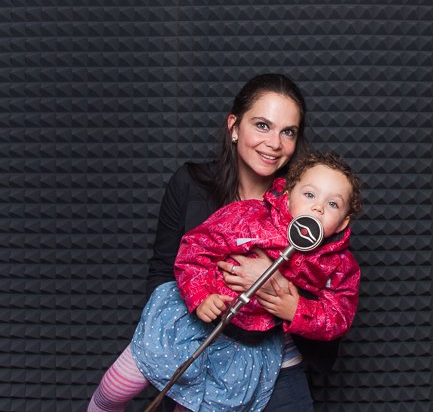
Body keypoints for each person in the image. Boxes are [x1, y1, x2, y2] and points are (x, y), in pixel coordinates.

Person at [88, 74, 341, 411]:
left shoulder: (309, 202)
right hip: (196, 344)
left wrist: (275, 284)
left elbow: (330, 292)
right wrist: (187, 322)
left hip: (276, 363)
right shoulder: (189, 184)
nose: (274, 143)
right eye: (262, 125)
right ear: (234, 126)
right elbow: (163, 271)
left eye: (288, 132)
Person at [126, 152, 361, 410]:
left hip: (256, 349)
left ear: (343, 223)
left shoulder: (340, 265)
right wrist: (200, 296)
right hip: (205, 325)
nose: (318, 207)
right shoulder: (250, 217)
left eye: (333, 204)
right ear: (288, 194)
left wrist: (296, 310)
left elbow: (339, 315)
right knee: (131, 383)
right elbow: (195, 248)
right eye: (309, 195)